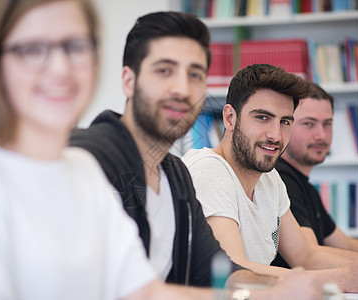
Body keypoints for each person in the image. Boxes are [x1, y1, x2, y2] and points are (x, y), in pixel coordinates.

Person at [0, 1, 209, 299]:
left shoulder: (83, 170)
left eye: (75, 47)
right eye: (33, 49)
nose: (60, 68)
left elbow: (145, 292)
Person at [70, 11, 323, 299]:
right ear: (129, 80)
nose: (182, 89)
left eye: (194, 75)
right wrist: (267, 295)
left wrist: (287, 286)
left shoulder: (176, 175)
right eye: (164, 70)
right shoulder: (88, 159)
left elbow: (215, 272)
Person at [182, 64, 358, 293]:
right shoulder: (207, 170)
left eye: (284, 122)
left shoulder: (269, 178)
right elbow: (236, 269)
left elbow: (307, 255)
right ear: (230, 118)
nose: (275, 135)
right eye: (262, 117)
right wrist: (343, 278)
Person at [271, 82, 358, 284]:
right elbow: (309, 255)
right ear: (286, 125)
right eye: (309, 124)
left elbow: (343, 242)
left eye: (327, 124)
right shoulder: (281, 179)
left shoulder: (306, 186)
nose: (321, 134)